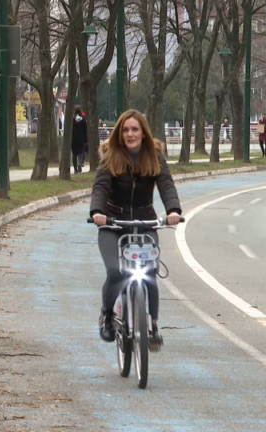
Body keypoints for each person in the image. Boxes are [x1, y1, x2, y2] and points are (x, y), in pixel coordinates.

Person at [90, 110, 182, 347]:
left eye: (135, 129)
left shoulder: (155, 156)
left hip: (144, 223)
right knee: (115, 272)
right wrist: (98, 213)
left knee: (149, 273)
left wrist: (173, 211)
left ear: (143, 133)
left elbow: (166, 185)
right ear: (120, 133)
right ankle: (108, 315)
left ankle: (151, 325)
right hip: (113, 224)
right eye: (125, 130)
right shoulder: (110, 156)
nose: (130, 134)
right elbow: (100, 186)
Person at [72, 105, 88, 173]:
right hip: (81, 138)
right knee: (80, 153)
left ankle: (75, 168)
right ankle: (79, 164)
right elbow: (85, 130)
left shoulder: (72, 119)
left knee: (74, 154)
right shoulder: (83, 119)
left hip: (73, 139)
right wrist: (86, 139)